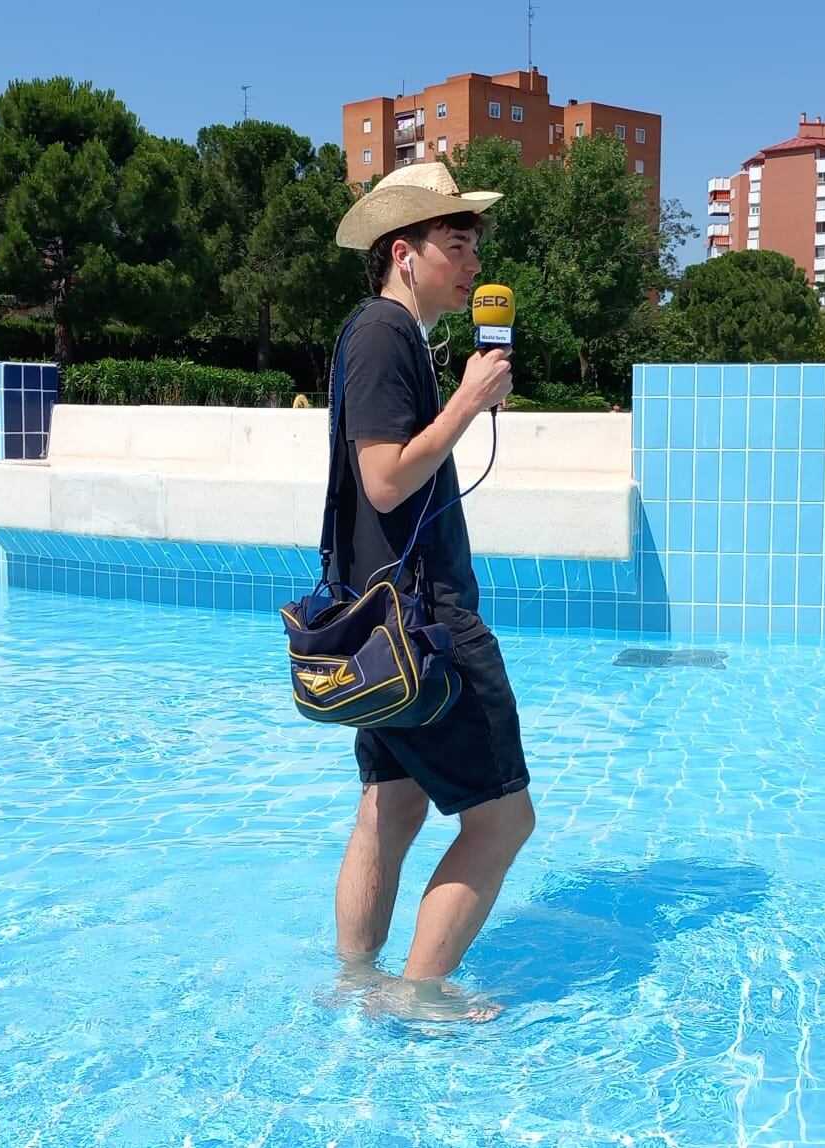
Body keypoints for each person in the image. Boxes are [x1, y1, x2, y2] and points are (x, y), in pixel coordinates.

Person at [324, 163, 535, 1018]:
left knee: (392, 803)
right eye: (457, 245)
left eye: (476, 246)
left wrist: (457, 405)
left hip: (379, 626)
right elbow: (382, 481)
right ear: (403, 253)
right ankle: (418, 991)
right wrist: (468, 406)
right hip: (424, 623)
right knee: (502, 823)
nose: (473, 262)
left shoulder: (384, 336)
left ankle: (355, 980)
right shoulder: (382, 334)